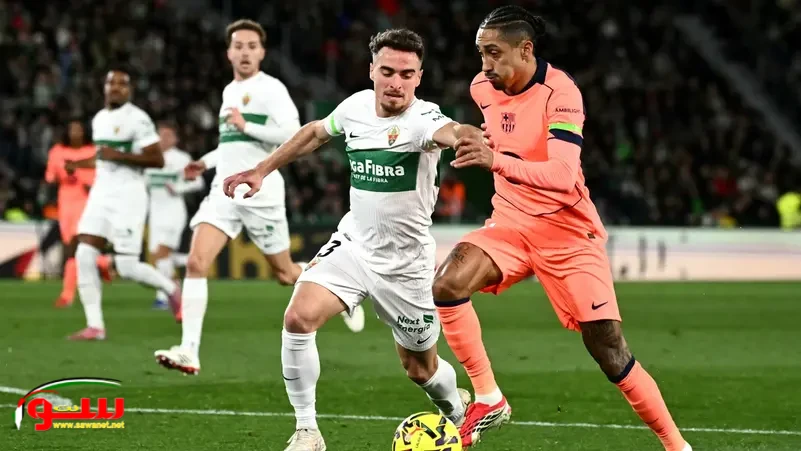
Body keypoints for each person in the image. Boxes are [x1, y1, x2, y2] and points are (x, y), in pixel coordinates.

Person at [432, 6, 692, 450]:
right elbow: (500, 135)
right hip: (510, 223)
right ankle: (489, 398)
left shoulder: (561, 92)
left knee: (608, 349)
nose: (485, 65)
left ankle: (676, 445)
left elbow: (562, 174)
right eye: (480, 54)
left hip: (568, 234)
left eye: (494, 53)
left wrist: (495, 160)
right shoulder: (482, 88)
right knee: (447, 284)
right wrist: (478, 139)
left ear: (525, 49)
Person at [221, 28, 488, 451]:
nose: (396, 83)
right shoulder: (356, 107)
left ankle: (456, 409)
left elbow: (455, 131)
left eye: (407, 74)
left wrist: (471, 138)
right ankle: (307, 431)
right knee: (298, 318)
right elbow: (315, 133)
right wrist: (260, 170)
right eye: (388, 71)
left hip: (405, 265)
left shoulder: (423, 118)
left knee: (420, 370)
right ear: (372, 71)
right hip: (354, 245)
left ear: (419, 77)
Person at [153, 19, 364, 377]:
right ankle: (189, 350)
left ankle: (339, 288)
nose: (245, 52)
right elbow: (231, 144)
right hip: (224, 190)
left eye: (252, 46)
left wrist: (247, 125)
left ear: (262, 52)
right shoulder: (229, 92)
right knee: (195, 263)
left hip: (260, 193)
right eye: (238, 46)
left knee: (284, 273)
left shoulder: (271, 89)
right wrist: (204, 163)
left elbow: (293, 133)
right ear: (229, 53)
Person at [66, 67, 183, 340]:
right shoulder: (99, 119)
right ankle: (95, 326)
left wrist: (118, 155)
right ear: (104, 88)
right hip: (101, 194)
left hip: (129, 196)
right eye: (112, 83)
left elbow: (157, 160)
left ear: (129, 90)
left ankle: (170, 288)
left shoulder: (138, 119)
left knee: (127, 266)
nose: (116, 87)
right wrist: (78, 164)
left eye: (122, 84)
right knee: (84, 254)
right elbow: (102, 156)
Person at [45, 119, 113, 308]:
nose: (75, 133)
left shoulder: (91, 151)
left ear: (85, 132)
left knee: (75, 246)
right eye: (72, 129)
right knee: (73, 246)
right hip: (66, 203)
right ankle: (103, 262)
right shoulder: (57, 151)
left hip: (88, 201)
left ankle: (67, 295)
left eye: (79, 130)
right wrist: (62, 175)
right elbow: (50, 177)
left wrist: (85, 180)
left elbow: (101, 177)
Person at [145, 122, 204, 309]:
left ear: (175, 139)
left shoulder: (181, 158)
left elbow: (198, 182)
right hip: (155, 213)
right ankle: (188, 262)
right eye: (160, 135)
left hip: (173, 212)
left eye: (167, 135)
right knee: (159, 256)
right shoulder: (149, 158)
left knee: (161, 253)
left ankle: (166, 296)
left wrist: (178, 188)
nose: (163, 139)